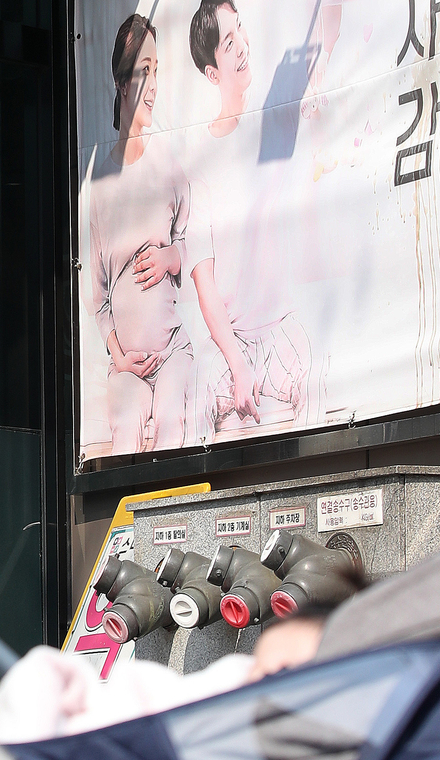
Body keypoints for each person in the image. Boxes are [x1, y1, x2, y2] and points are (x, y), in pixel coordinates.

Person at [186, 0, 314, 436]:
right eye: (228, 42)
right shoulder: (200, 161)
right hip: (233, 340)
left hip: (283, 326)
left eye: (240, 31)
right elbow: (203, 280)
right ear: (211, 73)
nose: (242, 46)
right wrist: (237, 365)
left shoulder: (272, 117)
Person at [88, 14, 195, 454]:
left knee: (172, 422)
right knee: (125, 432)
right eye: (142, 71)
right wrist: (119, 357)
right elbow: (96, 298)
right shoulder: (97, 184)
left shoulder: (169, 162)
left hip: (171, 351)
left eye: (157, 70)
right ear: (120, 81)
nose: (152, 85)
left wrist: (172, 258)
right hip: (126, 367)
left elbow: (197, 244)